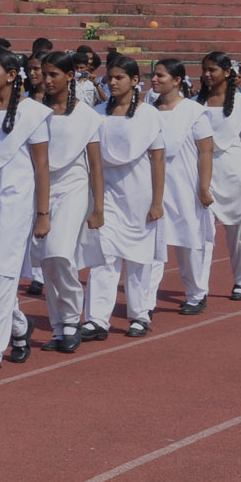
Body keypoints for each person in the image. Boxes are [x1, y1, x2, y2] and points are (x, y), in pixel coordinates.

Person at [0, 48, 52, 380]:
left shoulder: (32, 114)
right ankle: (19, 326)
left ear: (12, 75)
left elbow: (42, 166)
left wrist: (42, 213)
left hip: (15, 201)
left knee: (2, 272)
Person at [78, 55, 166, 341]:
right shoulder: (98, 114)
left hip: (139, 196)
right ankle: (97, 319)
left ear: (134, 81)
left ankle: (139, 315)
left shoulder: (148, 115)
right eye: (110, 77)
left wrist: (157, 201)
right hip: (105, 194)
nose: (113, 82)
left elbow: (158, 159)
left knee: (138, 258)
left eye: (120, 77)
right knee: (104, 255)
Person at [33, 52, 104, 354]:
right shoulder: (35, 112)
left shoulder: (87, 116)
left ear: (70, 76)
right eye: (44, 74)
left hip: (74, 188)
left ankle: (72, 319)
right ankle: (59, 326)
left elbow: (96, 165)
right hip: (41, 190)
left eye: (54, 74)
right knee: (47, 261)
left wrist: (98, 207)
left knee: (60, 253)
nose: (47, 80)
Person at [146, 59, 215, 315]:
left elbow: (206, 151)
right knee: (151, 247)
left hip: (184, 186)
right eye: (153, 75)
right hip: (153, 187)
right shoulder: (146, 111)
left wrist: (203, 187)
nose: (154, 79)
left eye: (160, 75)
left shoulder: (194, 111)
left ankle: (196, 293)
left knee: (188, 244)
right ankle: (145, 303)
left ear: (176, 81)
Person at [197, 51, 241, 303]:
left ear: (227, 72)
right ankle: (198, 289)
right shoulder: (194, 104)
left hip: (234, 174)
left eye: (212, 69)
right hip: (202, 174)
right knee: (202, 234)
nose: (206, 74)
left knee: (238, 233)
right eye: (204, 69)